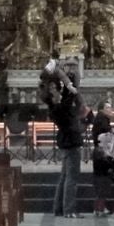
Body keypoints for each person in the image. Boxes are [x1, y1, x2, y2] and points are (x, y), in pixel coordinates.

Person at [43, 60, 84, 217]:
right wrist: (71, 80)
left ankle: (58, 208)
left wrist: (64, 75)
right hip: (71, 141)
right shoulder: (61, 107)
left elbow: (69, 94)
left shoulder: (54, 108)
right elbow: (71, 93)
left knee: (64, 177)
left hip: (65, 141)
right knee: (71, 179)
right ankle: (69, 210)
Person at [89, 104, 114, 217]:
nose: (111, 109)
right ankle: (99, 208)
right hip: (102, 153)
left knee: (101, 181)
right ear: (102, 109)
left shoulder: (101, 118)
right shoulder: (102, 119)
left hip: (100, 152)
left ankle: (99, 207)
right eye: (108, 107)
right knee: (102, 181)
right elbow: (106, 134)